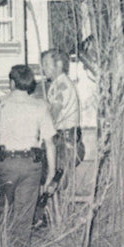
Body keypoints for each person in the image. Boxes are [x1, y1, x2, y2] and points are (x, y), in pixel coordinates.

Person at [0, 63, 57, 247]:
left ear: (11, 82)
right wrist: (50, 174)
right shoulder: (40, 106)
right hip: (31, 165)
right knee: (24, 215)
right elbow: (49, 142)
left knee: (1, 211)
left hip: (4, 164)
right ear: (30, 84)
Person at [41, 47, 83, 187]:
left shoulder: (62, 84)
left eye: (46, 64)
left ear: (58, 65)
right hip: (63, 139)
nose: (43, 69)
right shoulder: (57, 83)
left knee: (56, 184)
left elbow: (54, 114)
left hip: (65, 141)